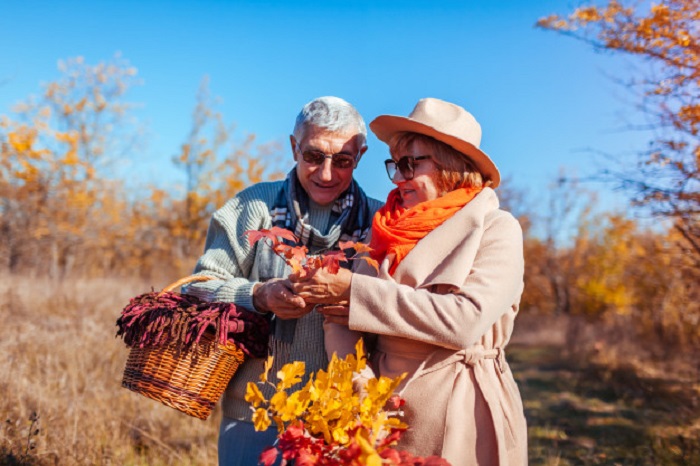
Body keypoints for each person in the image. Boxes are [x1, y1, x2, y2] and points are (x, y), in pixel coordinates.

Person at [291, 98, 528, 465]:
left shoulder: (497, 229)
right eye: (395, 165)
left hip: (464, 408)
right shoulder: (387, 229)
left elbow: (463, 321)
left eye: (410, 165)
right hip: (380, 411)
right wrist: (359, 390)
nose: (399, 178)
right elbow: (336, 316)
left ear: (451, 165)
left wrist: (356, 292)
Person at [184, 96, 383, 466]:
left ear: (361, 155)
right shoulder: (252, 208)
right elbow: (195, 287)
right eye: (313, 156)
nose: (326, 173)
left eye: (342, 160)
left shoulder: (379, 221)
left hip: (340, 417)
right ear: (294, 147)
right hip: (253, 416)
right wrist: (258, 295)